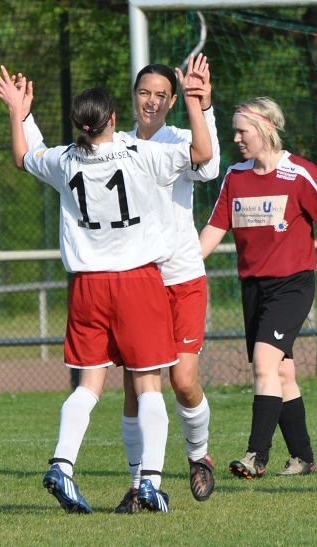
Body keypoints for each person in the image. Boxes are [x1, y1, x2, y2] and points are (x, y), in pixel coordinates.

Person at [0, 56, 213, 513]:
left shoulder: (65, 160)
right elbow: (204, 155)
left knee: (89, 384)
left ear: (79, 124)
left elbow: (24, 156)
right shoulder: (139, 153)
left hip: (86, 286)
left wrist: (19, 112)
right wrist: (196, 102)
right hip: (137, 282)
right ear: (113, 118)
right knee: (148, 385)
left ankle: (62, 464)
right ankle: (150, 483)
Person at [200, 97, 317, 479]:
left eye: (242, 131)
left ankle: (256, 456)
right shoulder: (234, 176)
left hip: (292, 286)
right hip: (253, 289)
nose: (236, 138)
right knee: (282, 374)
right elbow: (215, 228)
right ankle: (303, 457)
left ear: (265, 128)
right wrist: (184, 268)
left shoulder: (300, 174)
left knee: (264, 364)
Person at [112, 60, 220, 513]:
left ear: (172, 101)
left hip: (183, 277)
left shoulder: (180, 139)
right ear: (134, 95)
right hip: (138, 281)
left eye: (161, 94)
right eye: (145, 92)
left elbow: (209, 166)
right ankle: (138, 484)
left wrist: (202, 104)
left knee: (183, 380)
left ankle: (199, 455)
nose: (152, 101)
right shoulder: (117, 145)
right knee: (135, 387)